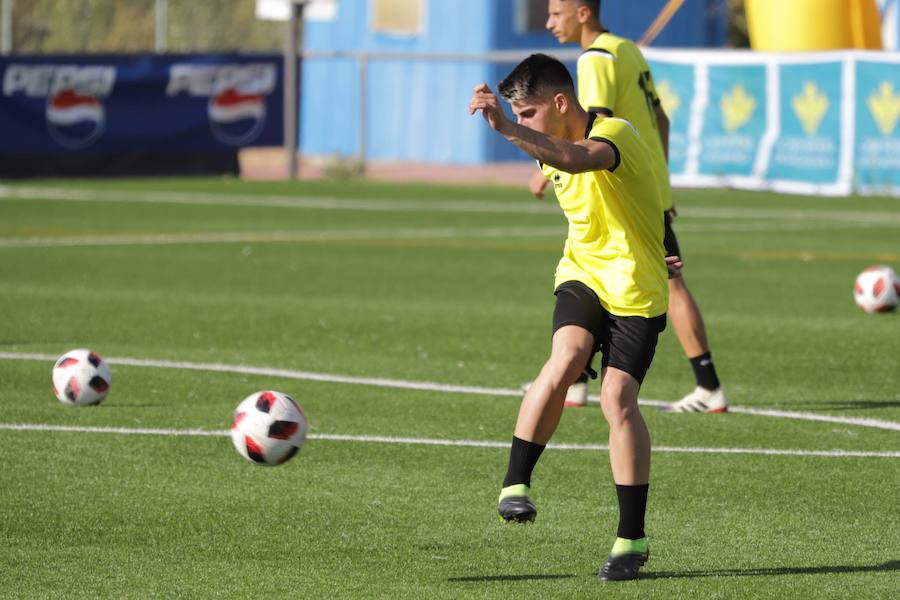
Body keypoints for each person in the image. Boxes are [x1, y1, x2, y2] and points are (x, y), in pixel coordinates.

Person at [468, 53, 682, 582]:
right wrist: (520, 132)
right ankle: (515, 485)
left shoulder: (615, 135)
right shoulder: (546, 145)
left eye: (529, 113)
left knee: (617, 400)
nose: (523, 124)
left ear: (561, 103)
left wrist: (504, 129)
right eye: (518, 116)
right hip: (582, 275)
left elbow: (580, 160)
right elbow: (569, 167)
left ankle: (631, 538)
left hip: (636, 289)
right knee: (565, 356)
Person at [534, 0, 726, 412]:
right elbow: (662, 121)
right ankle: (581, 380)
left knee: (620, 275)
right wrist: (657, 181)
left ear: (583, 13)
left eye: (555, 13)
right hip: (644, 186)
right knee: (631, 276)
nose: (549, 22)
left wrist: (545, 169)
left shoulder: (595, 60)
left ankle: (707, 386)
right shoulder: (627, 49)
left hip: (619, 192)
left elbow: (592, 130)